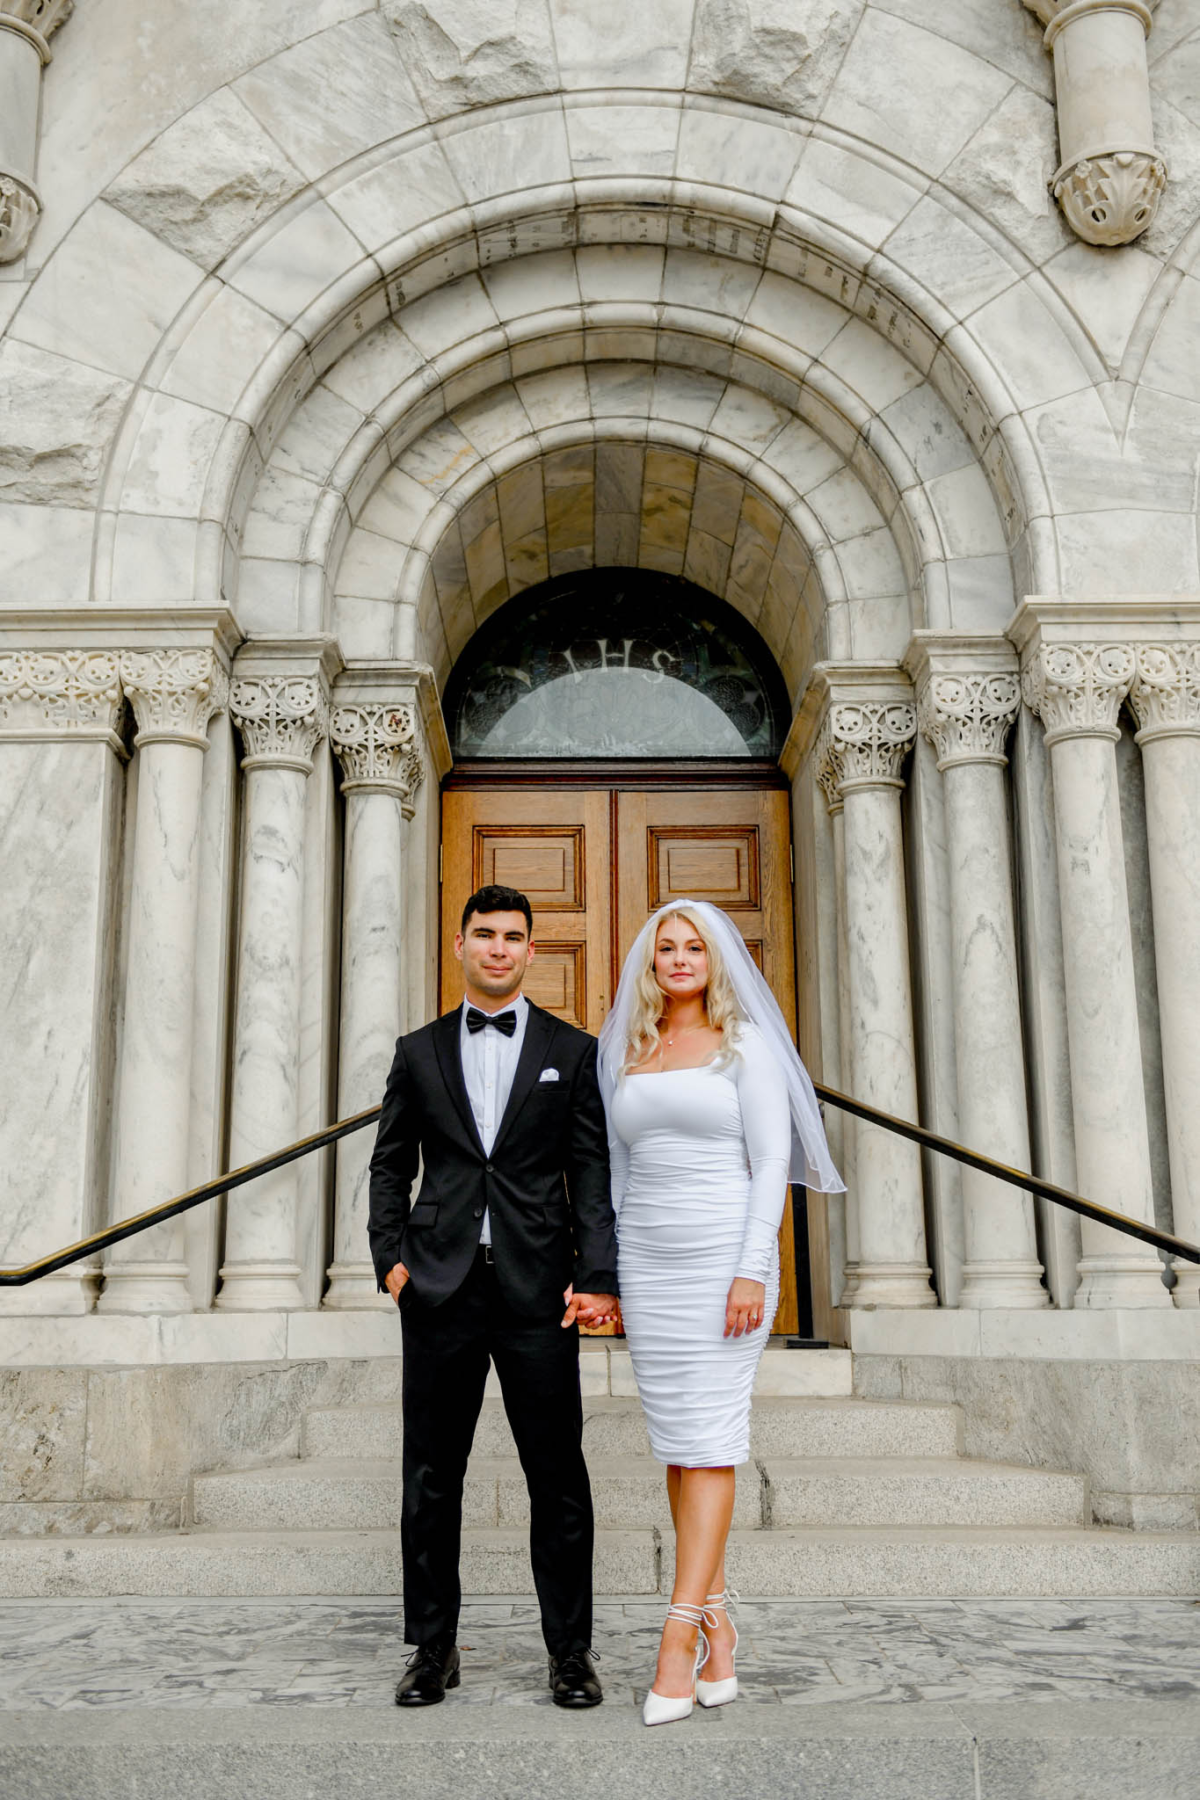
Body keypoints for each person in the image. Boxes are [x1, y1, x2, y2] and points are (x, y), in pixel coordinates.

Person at [368, 884, 619, 1709]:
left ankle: (570, 1654)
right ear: (461, 945)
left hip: (538, 1291)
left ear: (531, 950)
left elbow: (590, 1170)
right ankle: (432, 1649)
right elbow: (389, 1164)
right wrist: (388, 1258)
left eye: (513, 936)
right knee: (431, 1476)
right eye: (485, 934)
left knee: (558, 1476)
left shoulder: (571, 1051)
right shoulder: (418, 1051)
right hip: (439, 1289)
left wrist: (598, 1274)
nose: (499, 948)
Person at [598, 900, 842, 1726]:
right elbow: (619, 1169)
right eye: (665, 947)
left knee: (709, 1444)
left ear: (715, 960)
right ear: (649, 962)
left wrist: (750, 1270)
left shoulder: (747, 1047)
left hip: (721, 1264)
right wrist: (614, 1271)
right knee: (679, 1446)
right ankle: (719, 1629)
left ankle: (677, 1639)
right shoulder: (629, 1051)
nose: (678, 958)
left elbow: (770, 1162)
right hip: (650, 1267)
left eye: (693, 947)